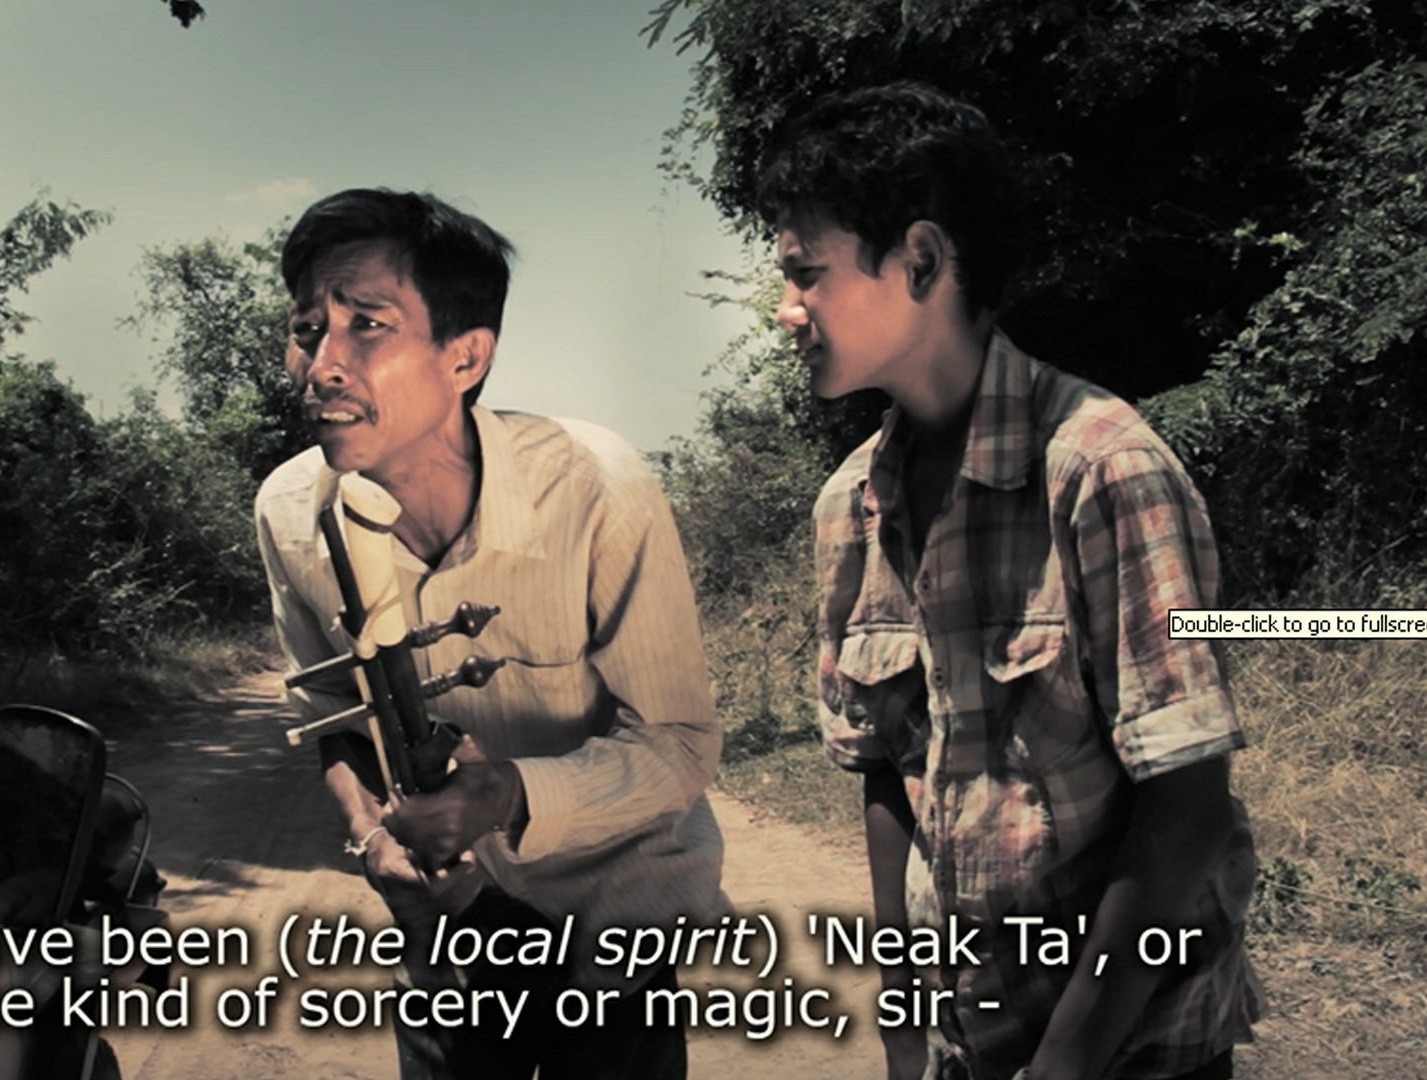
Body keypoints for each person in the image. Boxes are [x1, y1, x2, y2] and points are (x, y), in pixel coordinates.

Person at [762, 83, 1259, 1080]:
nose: (787, 312)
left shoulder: (1103, 469)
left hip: (1134, 1052)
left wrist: (1064, 1065)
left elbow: (1186, 804)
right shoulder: (851, 505)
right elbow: (884, 775)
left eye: (806, 274)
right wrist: (905, 1032)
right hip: (968, 1043)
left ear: (921, 260)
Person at [254, 188, 723, 1080]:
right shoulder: (290, 512)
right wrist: (371, 837)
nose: (322, 365)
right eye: (308, 330)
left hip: (612, 940)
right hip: (447, 955)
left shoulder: (596, 487)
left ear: (465, 356)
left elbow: (680, 743)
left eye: (366, 325)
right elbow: (331, 713)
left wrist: (505, 794)